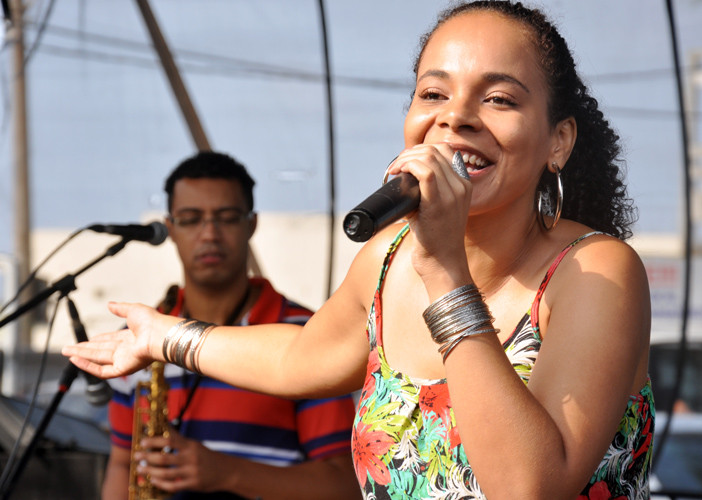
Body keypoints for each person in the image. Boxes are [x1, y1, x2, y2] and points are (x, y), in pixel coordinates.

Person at [65, 2, 655, 499]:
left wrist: (445, 270)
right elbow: (300, 356)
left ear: (558, 140)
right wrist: (164, 337)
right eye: (433, 93)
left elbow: (529, 484)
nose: (455, 118)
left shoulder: (595, 270)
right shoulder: (388, 257)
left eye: (498, 99)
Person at [100, 151, 360, 500]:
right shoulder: (135, 339)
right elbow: (122, 464)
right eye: (191, 219)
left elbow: (345, 484)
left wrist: (226, 472)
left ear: (251, 224)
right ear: (170, 228)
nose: (210, 234)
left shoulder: (306, 333)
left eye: (226, 217)